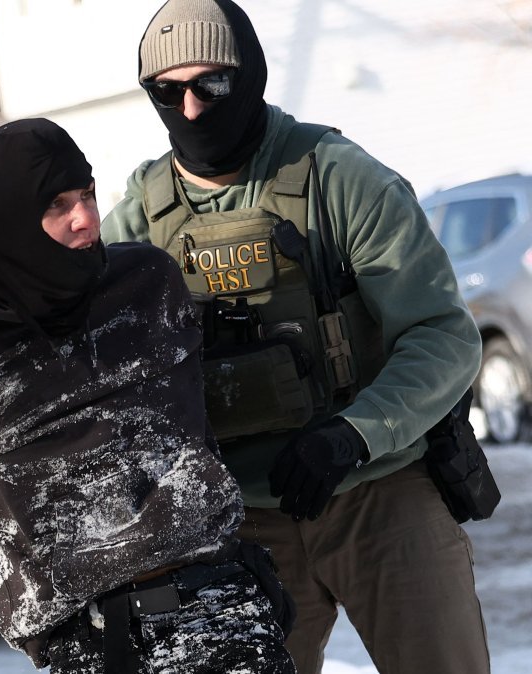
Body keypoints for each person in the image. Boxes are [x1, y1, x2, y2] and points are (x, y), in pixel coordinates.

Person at [100, 1, 489, 673]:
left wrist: (355, 433)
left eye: (210, 85)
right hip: (238, 519)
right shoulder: (140, 219)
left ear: (249, 76)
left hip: (378, 488)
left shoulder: (339, 177)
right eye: (166, 92)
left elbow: (442, 335)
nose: (189, 108)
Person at [0, 117, 295, 673]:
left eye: (86, 194)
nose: (84, 218)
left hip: (219, 605)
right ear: (7, 219)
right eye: (57, 205)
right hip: (87, 639)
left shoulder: (148, 284)